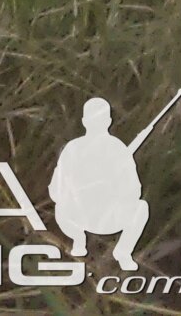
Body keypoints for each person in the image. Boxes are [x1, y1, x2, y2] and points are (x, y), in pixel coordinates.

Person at [50, 97, 148, 271]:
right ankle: (79, 240)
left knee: (141, 207)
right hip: (79, 215)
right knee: (60, 207)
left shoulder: (118, 150)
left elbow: (134, 190)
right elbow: (57, 189)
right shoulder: (75, 149)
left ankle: (122, 252)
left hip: (105, 216)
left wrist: (112, 185)